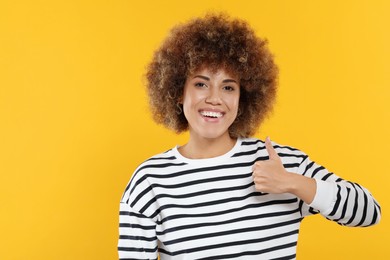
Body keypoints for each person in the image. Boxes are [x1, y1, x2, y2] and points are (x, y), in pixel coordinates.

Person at [118, 13, 381, 260]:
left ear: (243, 99)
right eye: (201, 83)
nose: (214, 98)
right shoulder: (150, 181)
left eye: (228, 87)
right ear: (177, 91)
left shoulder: (278, 163)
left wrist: (293, 182)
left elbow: (369, 212)